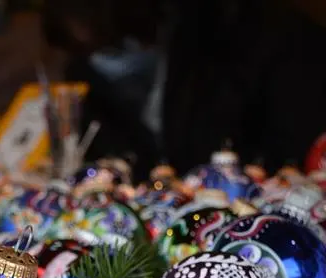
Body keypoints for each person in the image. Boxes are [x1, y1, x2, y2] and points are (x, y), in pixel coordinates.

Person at [42, 0, 326, 181]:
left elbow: (300, 156)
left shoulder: (260, 37)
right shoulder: (84, 75)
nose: (101, 58)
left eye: (111, 44)